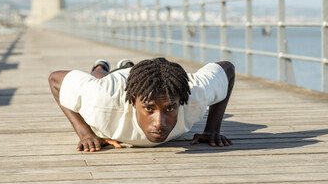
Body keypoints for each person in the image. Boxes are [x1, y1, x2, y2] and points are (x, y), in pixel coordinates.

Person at [48, 57, 235, 152]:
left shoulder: (196, 93)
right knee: (99, 79)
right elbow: (55, 80)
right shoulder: (103, 99)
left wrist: (212, 130)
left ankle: (126, 64)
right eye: (149, 109)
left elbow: (227, 68)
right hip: (115, 83)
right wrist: (85, 133)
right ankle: (101, 66)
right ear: (132, 102)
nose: (159, 123)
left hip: (146, 80)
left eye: (170, 108)